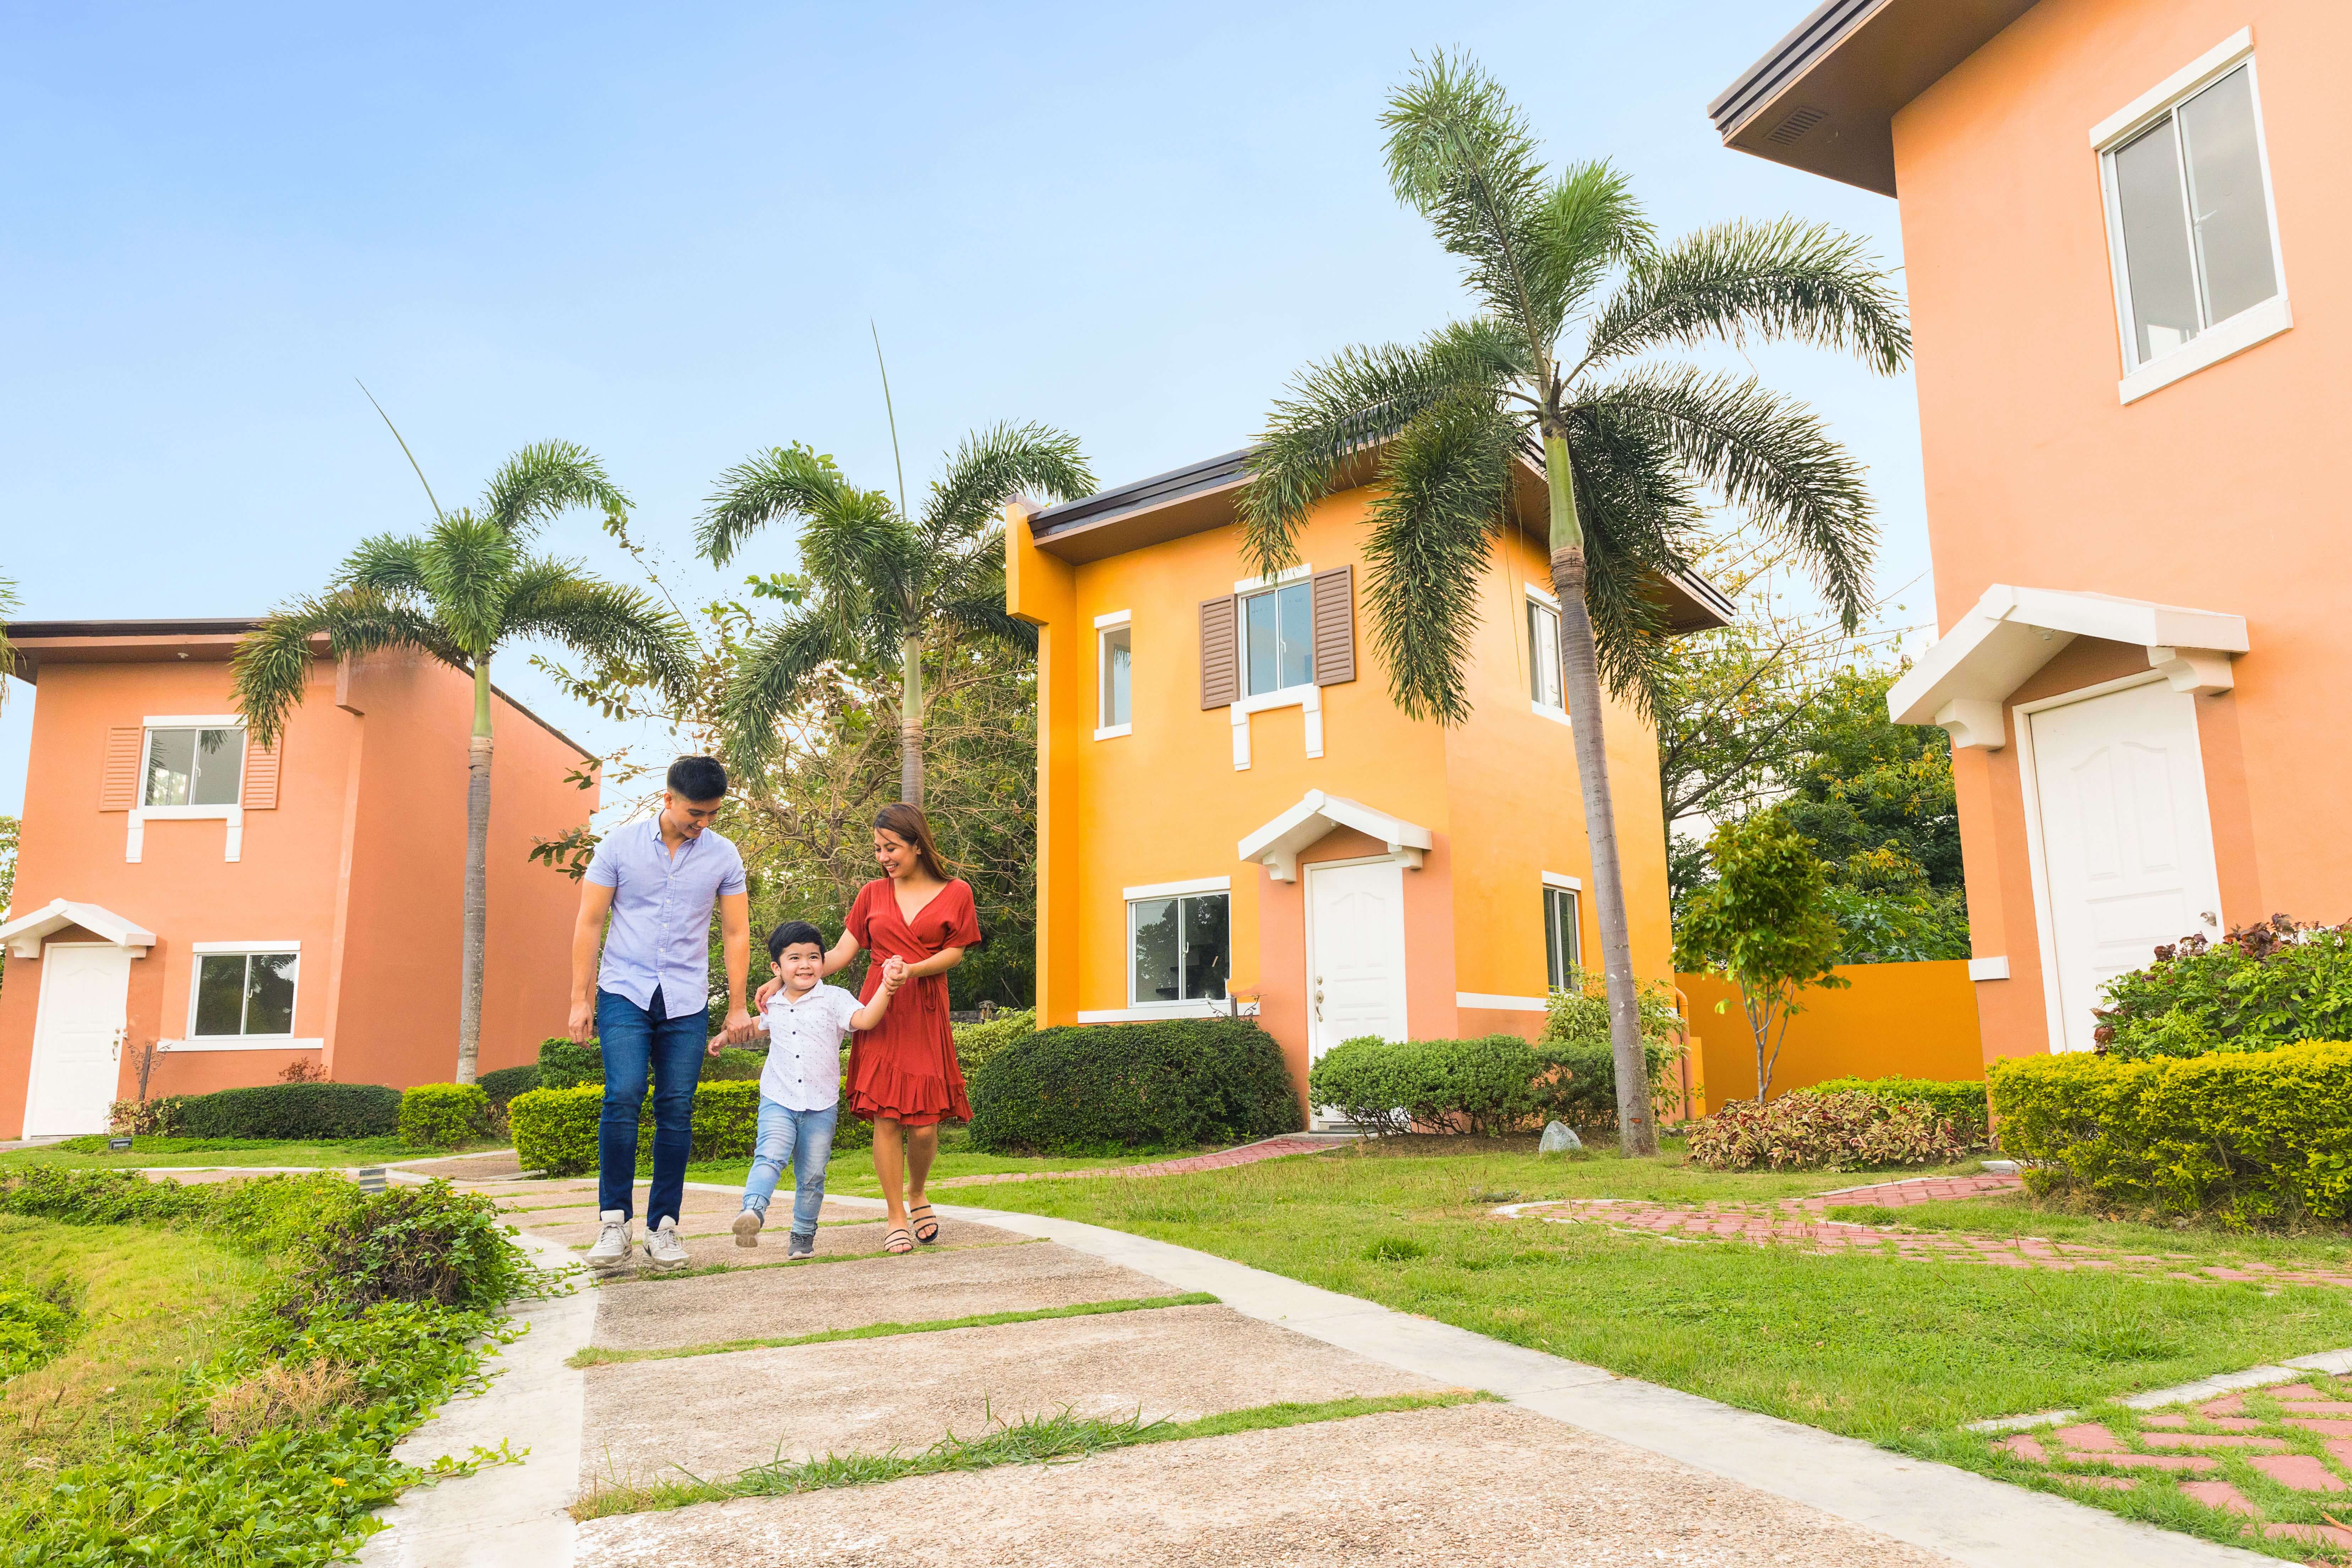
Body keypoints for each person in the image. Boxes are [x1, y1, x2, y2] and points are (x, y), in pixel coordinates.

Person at [765, 802, 979, 1255]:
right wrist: (786, 977)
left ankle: (918, 1192)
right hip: (879, 1010)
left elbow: (956, 952)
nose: (883, 856)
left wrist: (913, 971)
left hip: (922, 1009)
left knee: (923, 1126)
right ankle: (895, 1214)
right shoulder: (871, 895)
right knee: (887, 1117)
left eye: (892, 847)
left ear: (918, 845)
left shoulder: (956, 891)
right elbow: (841, 953)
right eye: (878, 848)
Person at [568, 755, 754, 1271]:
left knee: (676, 1107)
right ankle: (613, 1223)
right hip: (624, 991)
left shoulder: (723, 856)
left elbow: (736, 932)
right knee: (623, 1095)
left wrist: (736, 1007)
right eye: (697, 813)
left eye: (713, 814)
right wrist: (578, 999)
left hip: (687, 999)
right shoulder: (619, 847)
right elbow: (590, 922)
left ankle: (663, 1227)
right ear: (667, 799)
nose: (705, 823)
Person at [734, 920, 907, 1256]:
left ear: (823, 961)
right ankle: (752, 1212)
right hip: (779, 1099)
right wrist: (727, 1036)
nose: (805, 965)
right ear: (777, 967)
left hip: (821, 1105)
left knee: (812, 1175)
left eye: (813, 957)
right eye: (795, 958)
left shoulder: (834, 998)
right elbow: (757, 1028)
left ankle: (802, 1236)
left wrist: (886, 988)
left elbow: (866, 1020)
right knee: (769, 1156)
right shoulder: (774, 1003)